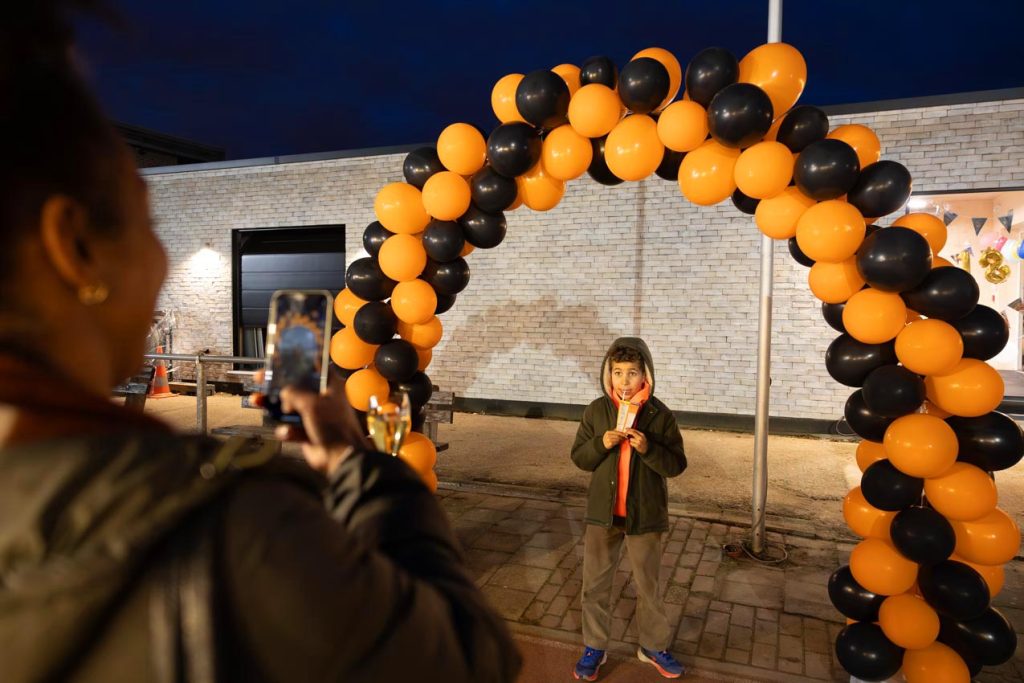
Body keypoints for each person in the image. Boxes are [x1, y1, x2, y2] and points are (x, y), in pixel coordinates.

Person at [0, 3, 521, 682]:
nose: (160, 259)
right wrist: (358, 467)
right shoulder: (222, 528)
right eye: (145, 221)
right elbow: (467, 657)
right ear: (73, 247)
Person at [570, 338, 688, 680]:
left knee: (648, 586)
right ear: (608, 374)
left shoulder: (660, 415)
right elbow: (579, 457)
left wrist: (649, 449)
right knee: (595, 584)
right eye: (617, 372)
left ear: (645, 375)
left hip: (645, 515)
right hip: (602, 515)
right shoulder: (596, 411)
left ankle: (653, 645)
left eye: (632, 373)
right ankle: (595, 646)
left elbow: (676, 464)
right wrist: (600, 443)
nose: (624, 380)